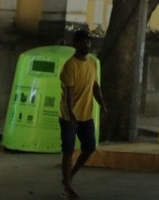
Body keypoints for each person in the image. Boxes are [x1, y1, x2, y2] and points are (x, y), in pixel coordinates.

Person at [59, 29, 105, 200]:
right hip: (69, 116)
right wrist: (71, 113)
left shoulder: (92, 63)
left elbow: (95, 86)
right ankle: (68, 187)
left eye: (88, 41)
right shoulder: (70, 66)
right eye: (83, 41)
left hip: (86, 115)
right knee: (68, 150)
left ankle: (69, 176)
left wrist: (102, 105)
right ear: (75, 44)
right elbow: (69, 92)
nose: (87, 44)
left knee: (89, 147)